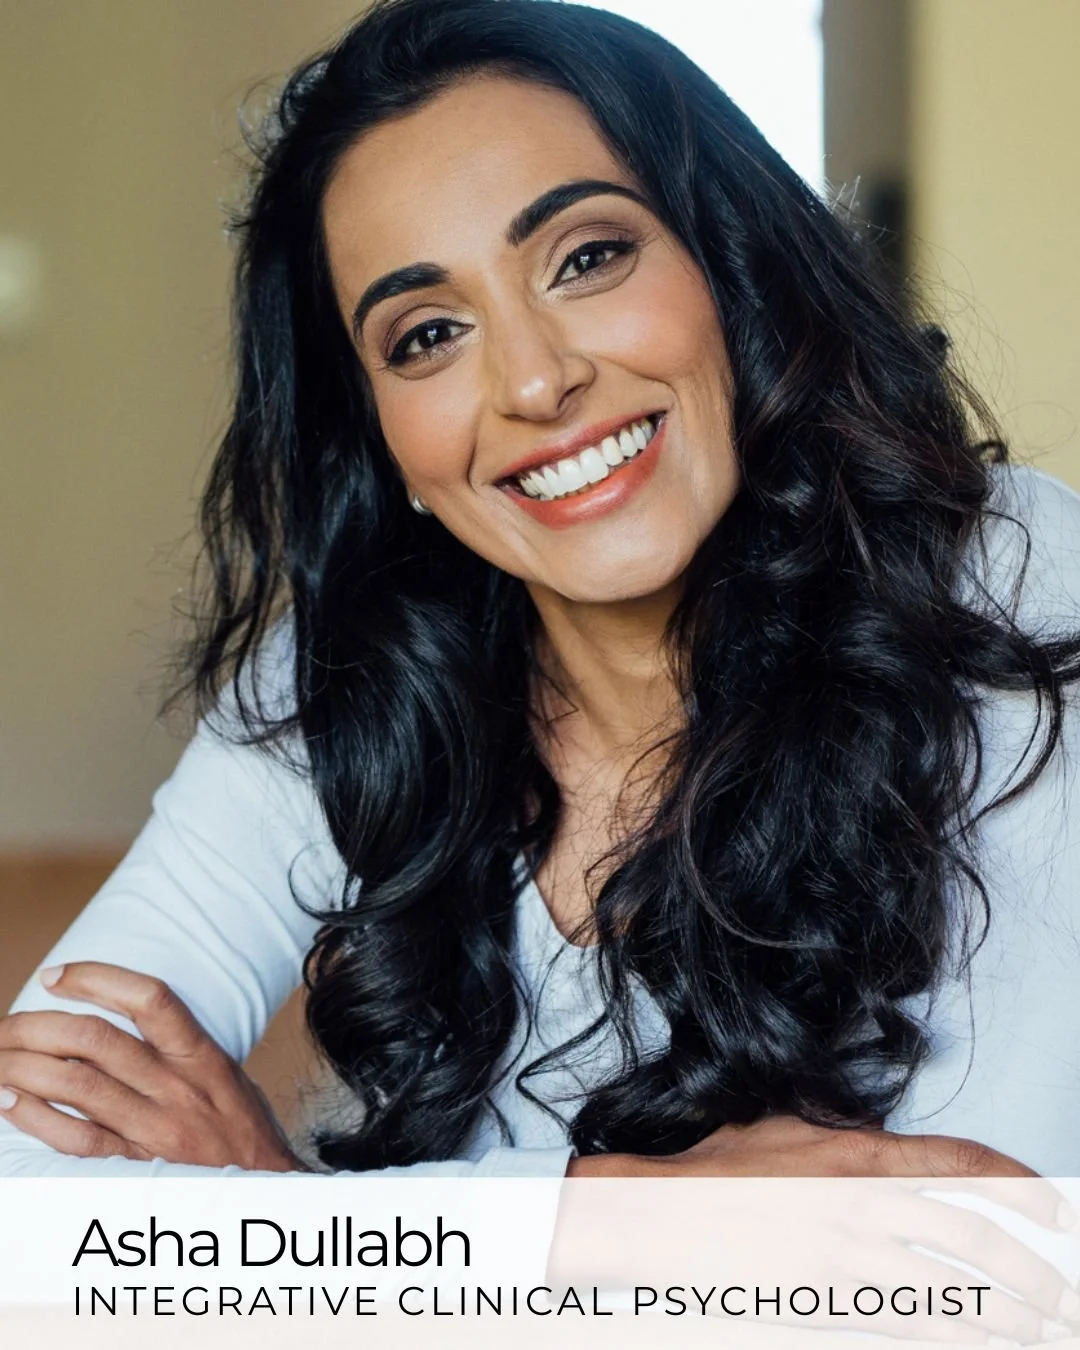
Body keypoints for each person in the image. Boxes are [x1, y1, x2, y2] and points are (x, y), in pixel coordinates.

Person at [1, 0, 1079, 1217]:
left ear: (728, 264)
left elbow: (975, 1254)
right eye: (427, 335)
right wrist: (597, 1218)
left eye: (587, 256)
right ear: (383, 441)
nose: (533, 380)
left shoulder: (1020, 589)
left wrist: (289, 1219)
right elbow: (21, 1189)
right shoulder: (353, 686)